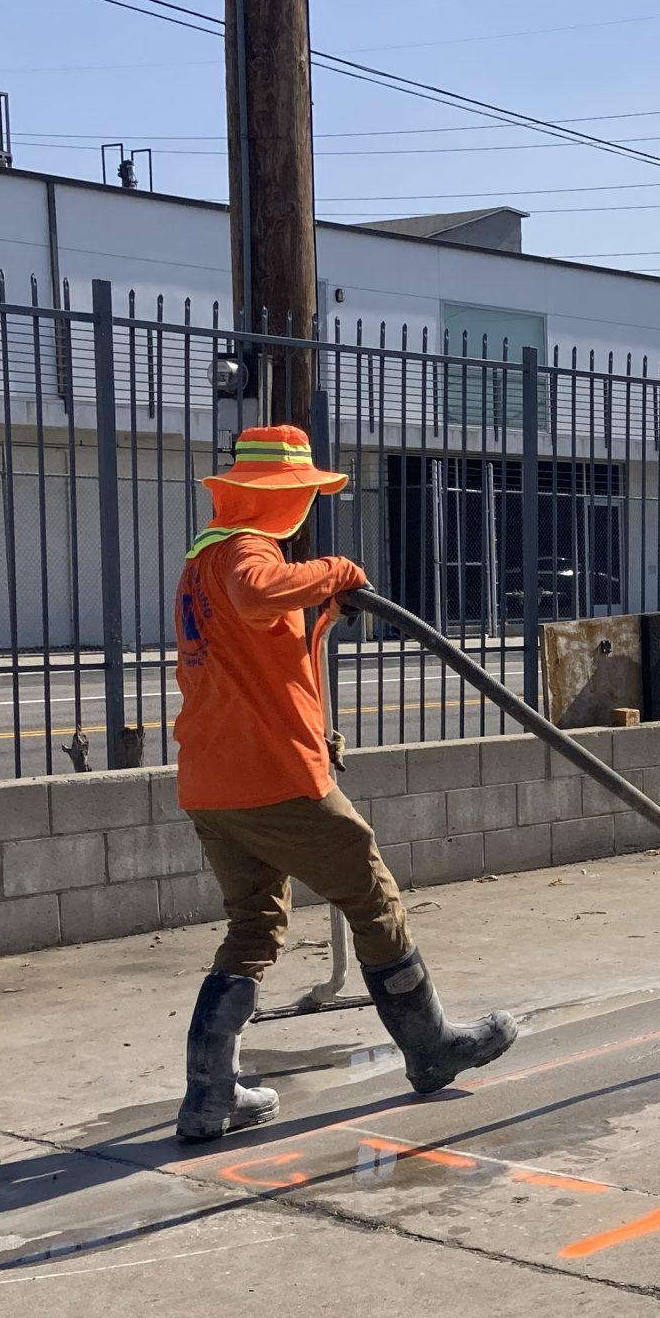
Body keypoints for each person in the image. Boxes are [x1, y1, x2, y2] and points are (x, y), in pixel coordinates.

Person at [171, 424, 515, 1141]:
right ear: (279, 498)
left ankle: (210, 1095)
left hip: (212, 782)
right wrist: (335, 571)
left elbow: (256, 645)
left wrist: (325, 609)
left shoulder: (200, 562)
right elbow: (258, 593)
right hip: (273, 777)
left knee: (253, 926)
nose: (304, 505)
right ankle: (430, 1048)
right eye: (299, 494)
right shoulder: (247, 551)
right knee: (372, 894)